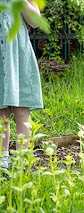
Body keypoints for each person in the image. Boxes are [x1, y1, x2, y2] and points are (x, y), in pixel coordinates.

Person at [0, 0, 43, 169]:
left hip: (17, 53)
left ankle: (22, 160)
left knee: (21, 108)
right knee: (1, 110)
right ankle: (2, 159)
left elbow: (34, 21)